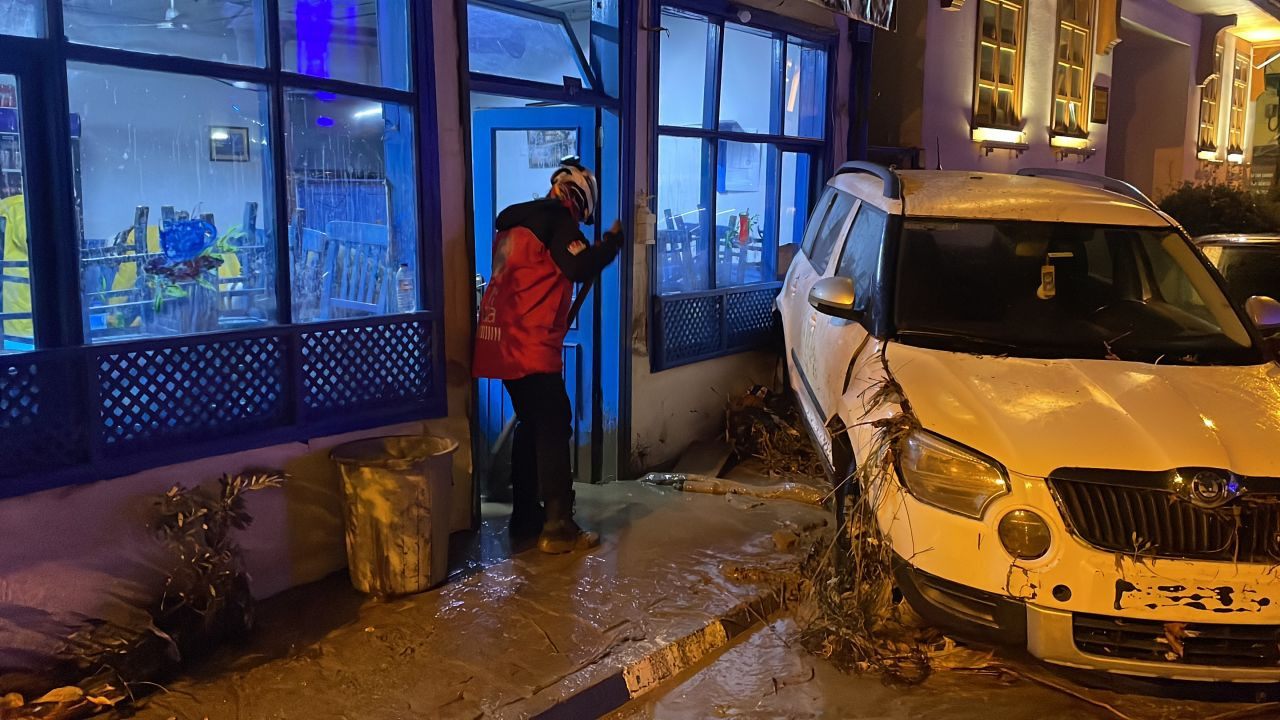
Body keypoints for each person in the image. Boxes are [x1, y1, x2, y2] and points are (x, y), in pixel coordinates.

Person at [473, 157, 623, 554]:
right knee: (554, 425)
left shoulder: (516, 225)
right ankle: (558, 526)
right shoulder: (557, 221)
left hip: (499, 342)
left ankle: (526, 517)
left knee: (533, 423)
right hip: (530, 344)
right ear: (578, 200)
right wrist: (610, 246)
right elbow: (579, 265)